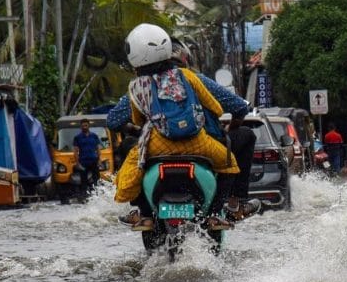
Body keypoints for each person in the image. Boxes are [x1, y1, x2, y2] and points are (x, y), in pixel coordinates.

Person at [109, 39, 262, 225]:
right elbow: (233, 107)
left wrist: (137, 129)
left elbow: (115, 121)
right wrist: (227, 126)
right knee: (230, 163)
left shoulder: (139, 86)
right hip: (199, 143)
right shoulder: (190, 77)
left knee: (133, 160)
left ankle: (144, 213)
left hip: (156, 148)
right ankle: (230, 207)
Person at [72, 119, 101, 194]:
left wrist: (99, 159)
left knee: (96, 179)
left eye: (86, 125)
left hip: (94, 160)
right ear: (80, 127)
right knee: (83, 181)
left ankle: (97, 194)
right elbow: (75, 151)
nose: (84, 127)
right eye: (83, 126)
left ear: (89, 126)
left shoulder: (94, 136)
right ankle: (84, 196)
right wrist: (77, 163)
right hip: (83, 162)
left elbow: (98, 148)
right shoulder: (77, 137)